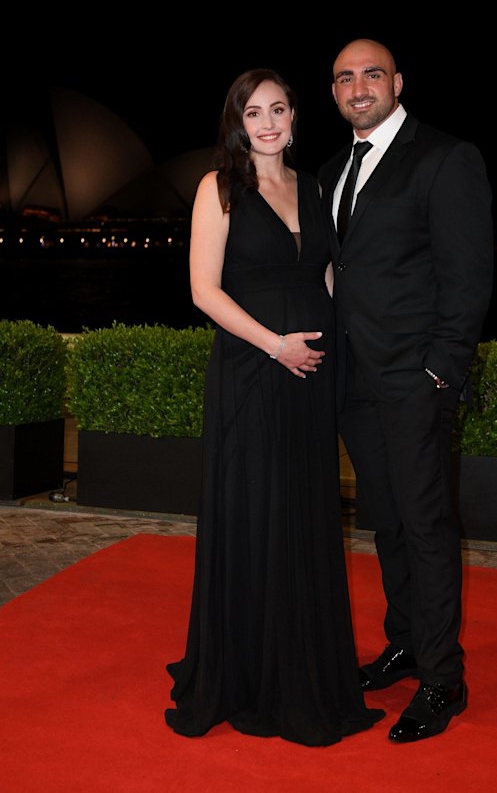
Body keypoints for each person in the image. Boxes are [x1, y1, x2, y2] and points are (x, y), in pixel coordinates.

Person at [164, 68, 384, 747]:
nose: (267, 123)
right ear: (237, 121)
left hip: (310, 377)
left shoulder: (313, 185)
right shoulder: (218, 188)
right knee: (256, 513)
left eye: (278, 109)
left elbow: (320, 272)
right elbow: (204, 289)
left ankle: (305, 667)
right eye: (253, 112)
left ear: (293, 117)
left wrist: (341, 351)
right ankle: (248, 674)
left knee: (303, 515)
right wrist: (274, 346)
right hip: (252, 375)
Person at [318, 39, 493, 744]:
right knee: (385, 520)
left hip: (415, 379)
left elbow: (468, 276)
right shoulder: (333, 170)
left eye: (371, 74)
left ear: (396, 82)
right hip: (354, 379)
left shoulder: (447, 158)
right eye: (344, 78)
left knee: (425, 526)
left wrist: (440, 370)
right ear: (333, 93)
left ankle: (444, 676)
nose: (358, 87)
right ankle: (407, 642)